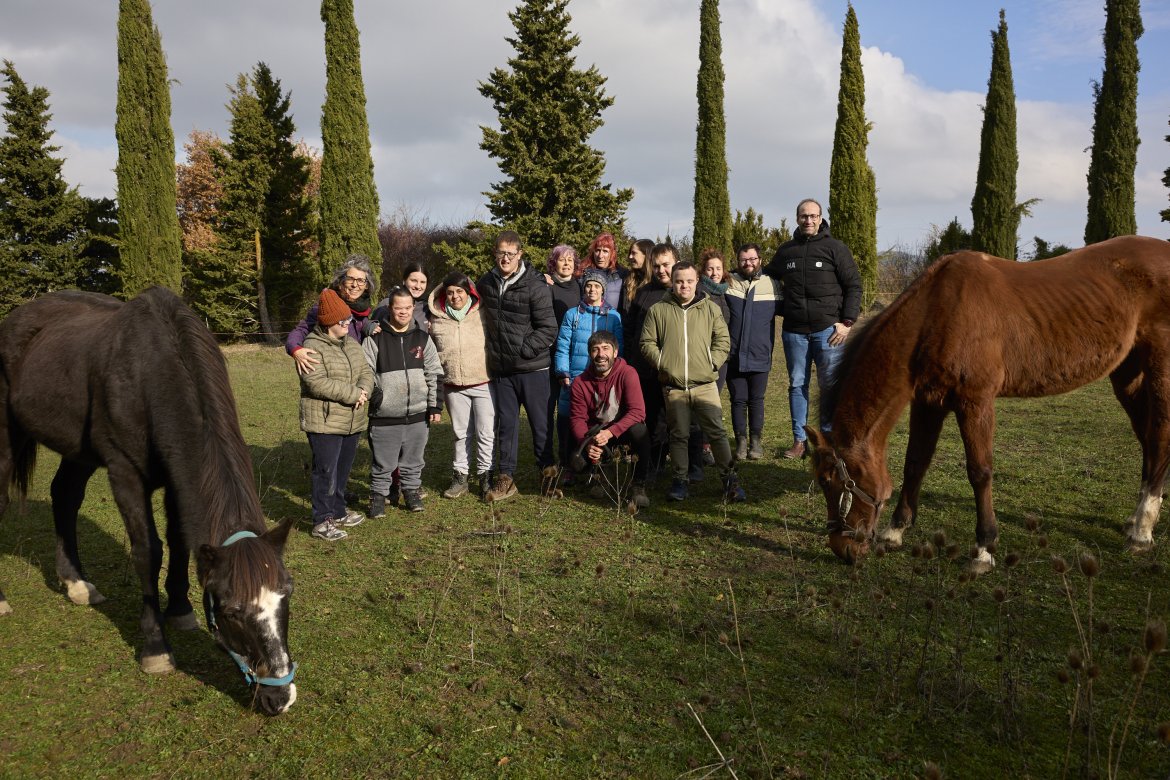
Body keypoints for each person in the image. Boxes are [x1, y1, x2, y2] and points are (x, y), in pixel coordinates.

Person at [764, 198, 862, 459]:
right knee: (797, 385)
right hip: (794, 332)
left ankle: (828, 439)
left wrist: (848, 322)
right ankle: (799, 440)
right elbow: (766, 277)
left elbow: (853, 285)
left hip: (828, 332)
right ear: (797, 218)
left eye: (813, 216)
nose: (808, 220)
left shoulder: (835, 249)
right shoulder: (786, 252)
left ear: (820, 219)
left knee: (829, 386)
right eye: (803, 216)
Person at [640, 261, 745, 503]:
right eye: (679, 281)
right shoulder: (659, 310)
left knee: (717, 433)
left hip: (705, 385)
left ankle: (730, 480)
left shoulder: (710, 308)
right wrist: (664, 363)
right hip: (674, 387)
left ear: (696, 281)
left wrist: (713, 363)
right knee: (678, 435)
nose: (684, 285)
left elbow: (723, 340)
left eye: (688, 280)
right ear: (673, 282)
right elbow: (647, 343)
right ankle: (680, 481)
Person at [477, 230, 559, 502]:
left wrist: (522, 350)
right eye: (501, 253)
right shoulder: (485, 283)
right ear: (495, 253)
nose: (505, 259)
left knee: (541, 425)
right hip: (502, 371)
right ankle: (506, 478)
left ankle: (547, 476)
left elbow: (548, 329)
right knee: (507, 426)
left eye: (510, 254)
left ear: (520, 254)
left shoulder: (535, 285)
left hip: (533, 370)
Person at [299, 288, 374, 541]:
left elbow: (366, 371)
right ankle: (322, 520)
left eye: (349, 320)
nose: (348, 324)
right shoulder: (311, 346)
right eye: (343, 321)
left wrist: (364, 390)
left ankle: (339, 511)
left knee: (342, 470)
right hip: (325, 421)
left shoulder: (351, 343)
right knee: (326, 472)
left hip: (352, 420)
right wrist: (354, 394)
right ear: (329, 322)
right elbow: (316, 383)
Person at [364, 288, 443, 514]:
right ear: (390, 309)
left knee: (414, 459)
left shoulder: (422, 338)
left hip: (418, 413)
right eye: (398, 308)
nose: (403, 312)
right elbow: (365, 371)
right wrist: (377, 396)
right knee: (383, 462)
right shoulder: (375, 338)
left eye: (408, 308)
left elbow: (434, 372)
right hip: (385, 415)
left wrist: (435, 405)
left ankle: (411, 492)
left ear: (413, 308)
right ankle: (378, 496)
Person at [427, 272, 495, 499]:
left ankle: (486, 475)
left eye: (459, 291)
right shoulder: (436, 317)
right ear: (444, 295)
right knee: (460, 432)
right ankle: (460, 476)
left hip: (483, 381)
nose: (455, 296)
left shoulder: (481, 313)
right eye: (450, 292)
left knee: (485, 432)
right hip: (453, 383)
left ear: (469, 293)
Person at [568, 330, 650, 508]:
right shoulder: (580, 382)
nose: (601, 354)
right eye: (595, 349)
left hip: (622, 431)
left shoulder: (628, 373)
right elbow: (577, 419)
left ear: (615, 352)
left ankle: (638, 484)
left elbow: (638, 412)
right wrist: (588, 443)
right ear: (590, 354)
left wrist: (611, 432)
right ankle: (602, 476)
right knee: (577, 462)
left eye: (606, 348)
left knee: (640, 430)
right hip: (596, 433)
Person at [554, 268, 623, 478]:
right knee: (568, 419)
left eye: (597, 286)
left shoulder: (613, 316)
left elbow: (619, 347)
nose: (592, 289)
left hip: (603, 378)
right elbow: (563, 345)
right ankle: (568, 464)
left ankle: (598, 465)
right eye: (589, 285)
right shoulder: (572, 315)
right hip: (574, 377)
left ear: (603, 290)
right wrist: (562, 371)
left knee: (599, 420)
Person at [726, 243, 783, 461]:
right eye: (743, 260)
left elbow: (789, 308)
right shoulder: (729, 281)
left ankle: (756, 442)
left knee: (757, 399)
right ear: (738, 261)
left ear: (760, 259)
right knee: (738, 399)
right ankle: (740, 442)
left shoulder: (772, 284)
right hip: (734, 353)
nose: (748, 263)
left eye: (752, 259)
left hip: (761, 352)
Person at [624, 243, 677, 478]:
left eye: (666, 265)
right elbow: (630, 329)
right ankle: (651, 463)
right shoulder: (644, 294)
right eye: (656, 266)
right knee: (649, 418)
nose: (661, 270)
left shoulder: (682, 291)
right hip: (644, 369)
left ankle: (682, 464)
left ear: (675, 263)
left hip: (674, 371)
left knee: (672, 421)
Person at [287, 254, 375, 375]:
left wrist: (368, 324)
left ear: (366, 285)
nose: (355, 285)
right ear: (341, 282)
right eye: (350, 279)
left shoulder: (364, 308)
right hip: (334, 371)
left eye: (361, 280)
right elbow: (302, 329)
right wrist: (295, 349)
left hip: (356, 371)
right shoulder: (327, 306)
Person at [695, 248, 732, 470]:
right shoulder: (700, 291)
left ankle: (706, 445)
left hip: (722, 357)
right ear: (704, 270)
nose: (715, 272)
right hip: (702, 356)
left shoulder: (726, 291)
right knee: (701, 404)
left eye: (718, 268)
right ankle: (700, 447)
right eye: (710, 268)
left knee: (713, 402)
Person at [371, 262, 430, 334]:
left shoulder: (427, 309)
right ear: (404, 281)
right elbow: (373, 331)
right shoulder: (386, 304)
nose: (418, 286)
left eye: (422, 282)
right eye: (414, 281)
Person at [580, 232, 626, 312]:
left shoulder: (622, 275)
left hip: (612, 321)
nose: (600, 256)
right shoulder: (583, 272)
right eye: (597, 250)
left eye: (605, 251)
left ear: (612, 253)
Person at [621, 238, 655, 318]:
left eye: (634, 253)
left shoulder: (657, 282)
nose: (630, 256)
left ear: (646, 255)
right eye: (630, 253)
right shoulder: (629, 280)